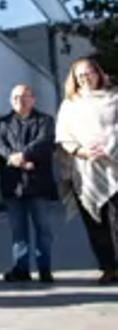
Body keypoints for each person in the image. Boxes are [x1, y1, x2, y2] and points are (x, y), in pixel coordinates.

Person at [56, 57, 118, 284]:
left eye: (88, 73)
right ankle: (108, 267)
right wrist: (82, 150)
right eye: (80, 75)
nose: (85, 78)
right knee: (95, 224)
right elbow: (63, 136)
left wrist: (109, 148)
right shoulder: (69, 104)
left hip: (115, 168)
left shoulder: (114, 97)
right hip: (85, 172)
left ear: (98, 73)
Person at [0, 84, 57, 283]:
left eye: (25, 96)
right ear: (11, 101)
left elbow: (45, 142)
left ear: (33, 99)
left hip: (38, 183)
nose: (20, 100)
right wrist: (13, 158)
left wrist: (23, 155)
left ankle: (44, 269)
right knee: (18, 231)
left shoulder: (45, 121)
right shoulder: (2, 123)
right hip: (13, 185)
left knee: (43, 230)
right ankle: (21, 270)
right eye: (16, 97)